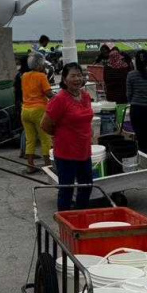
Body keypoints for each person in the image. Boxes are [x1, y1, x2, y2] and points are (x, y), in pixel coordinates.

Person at [42, 63, 94, 211]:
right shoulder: (60, 99)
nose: (77, 78)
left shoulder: (85, 96)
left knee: (86, 187)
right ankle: (65, 225)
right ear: (64, 79)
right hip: (66, 153)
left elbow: (86, 120)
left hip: (84, 151)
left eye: (79, 75)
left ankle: (80, 218)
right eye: (73, 75)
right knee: (66, 191)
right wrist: (62, 135)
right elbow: (45, 124)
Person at [21, 53, 54, 173]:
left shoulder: (24, 75)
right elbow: (49, 93)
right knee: (45, 139)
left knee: (30, 139)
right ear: (40, 65)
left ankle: (30, 166)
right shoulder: (41, 76)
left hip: (25, 110)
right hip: (39, 110)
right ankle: (48, 166)